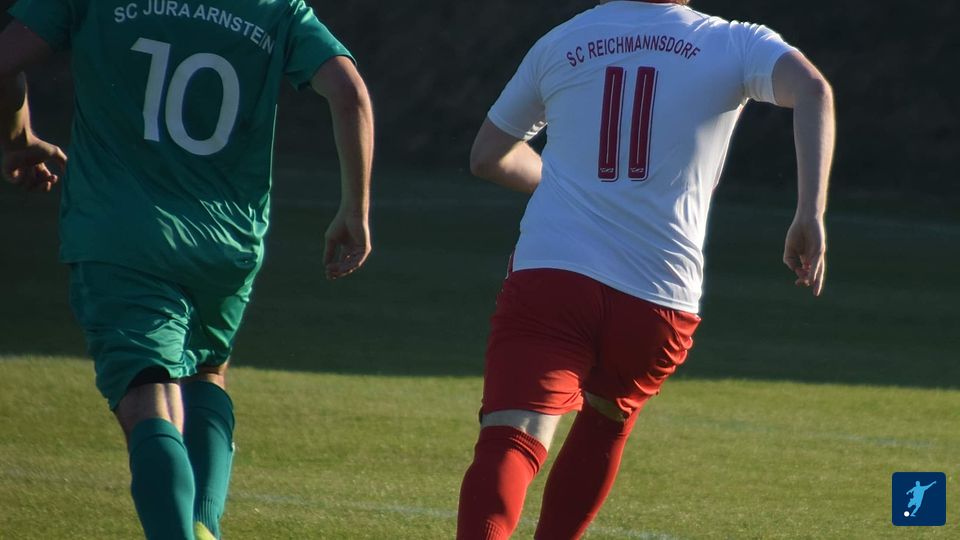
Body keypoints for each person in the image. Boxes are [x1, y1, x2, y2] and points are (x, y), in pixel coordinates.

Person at [456, 0, 833, 538]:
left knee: (512, 438)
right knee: (607, 421)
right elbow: (814, 89)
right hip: (658, 294)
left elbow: (487, 155)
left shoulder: (563, 40)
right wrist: (809, 212)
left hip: (553, 273)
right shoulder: (731, 41)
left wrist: (569, 186)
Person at [0, 1, 374, 538]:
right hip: (226, 241)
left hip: (122, 233)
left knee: (147, 396)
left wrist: (18, 140)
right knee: (206, 373)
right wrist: (354, 210)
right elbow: (349, 91)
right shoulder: (276, 8)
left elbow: (6, 61)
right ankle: (202, 526)